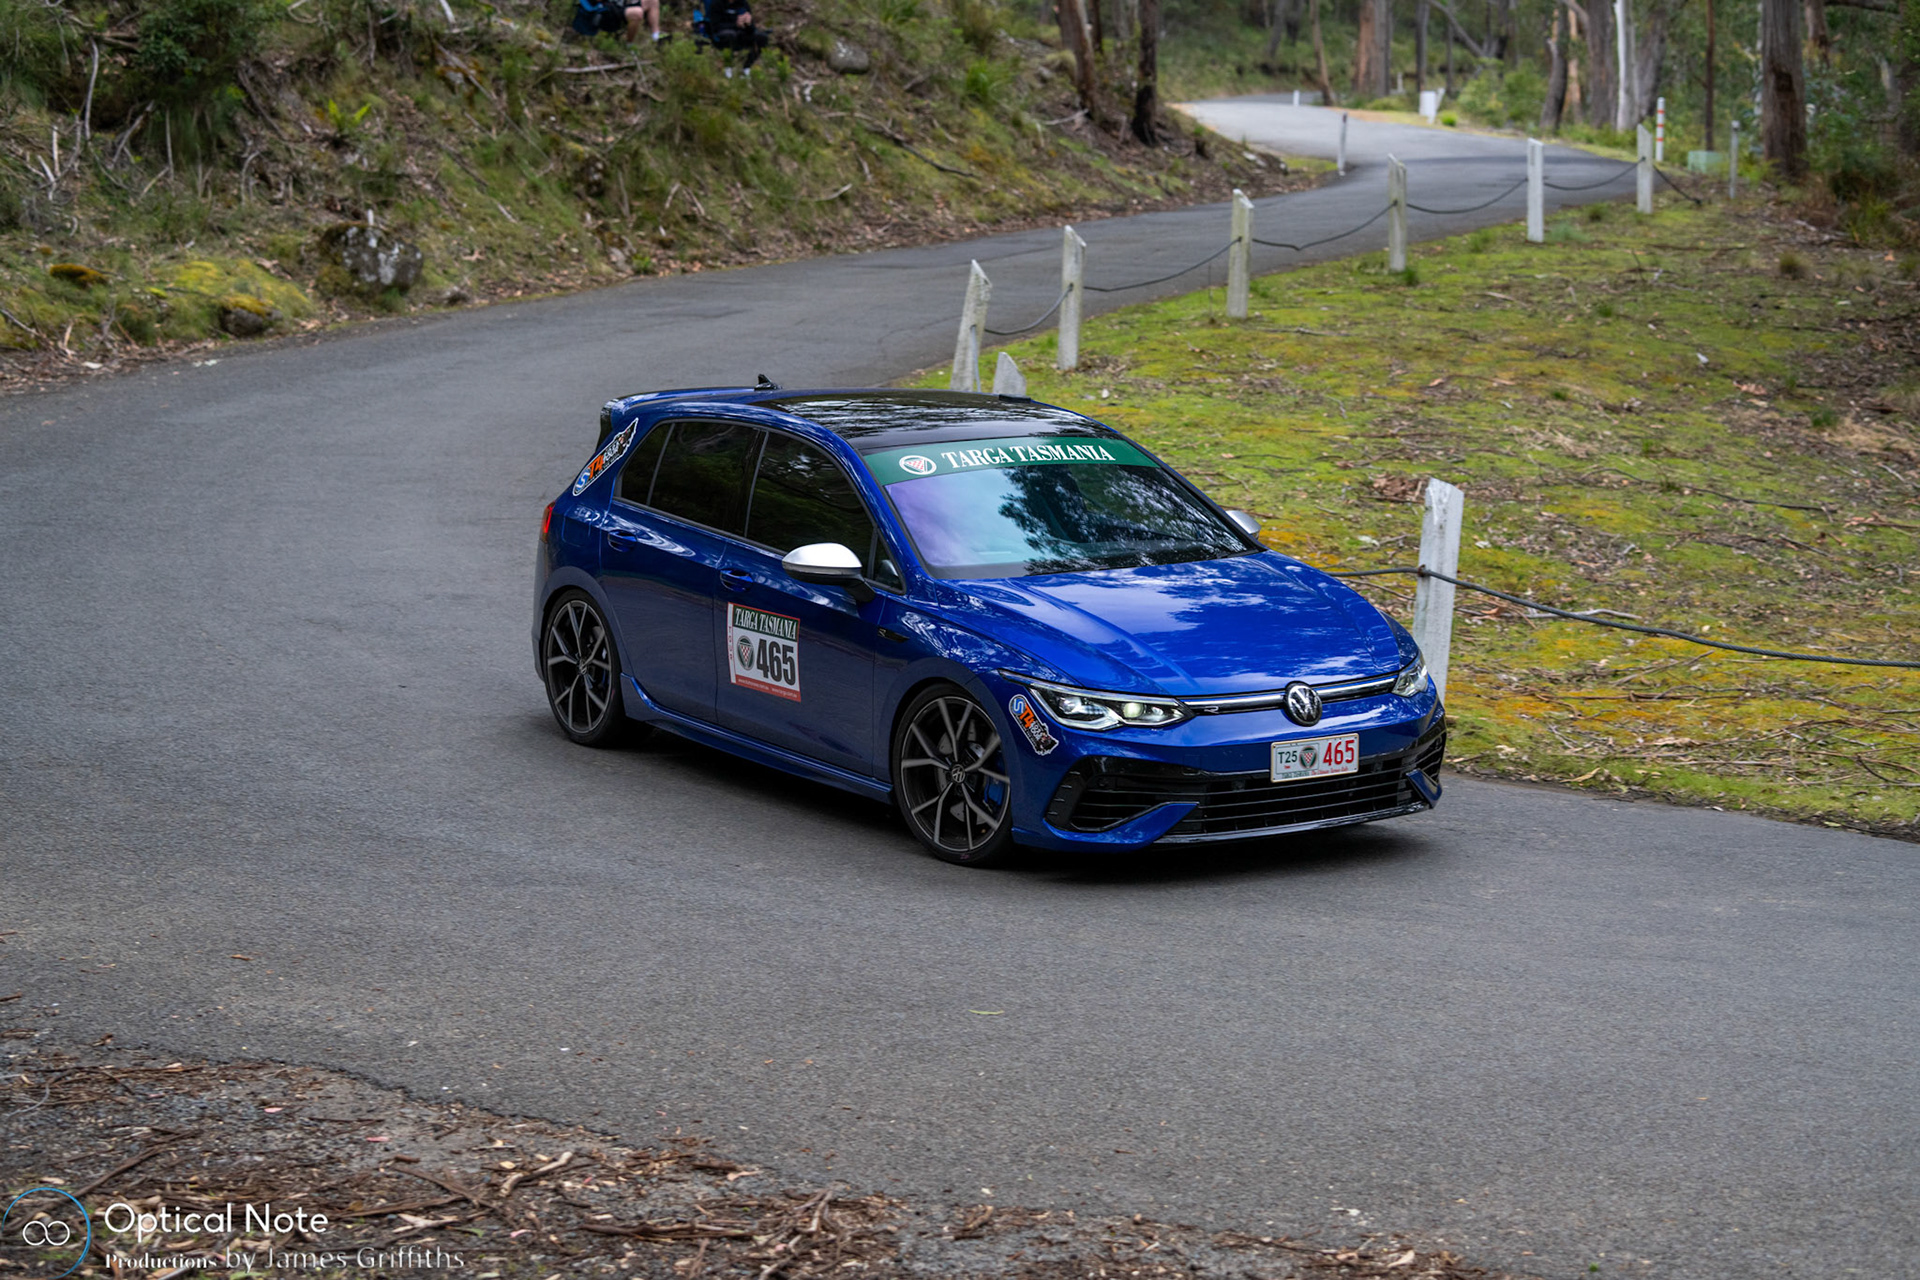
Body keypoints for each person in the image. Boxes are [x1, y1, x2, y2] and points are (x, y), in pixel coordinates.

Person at [698, 0, 769, 71]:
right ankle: (728, 68)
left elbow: (751, 29)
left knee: (762, 37)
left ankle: (746, 68)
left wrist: (748, 23)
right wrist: (736, 23)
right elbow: (715, 26)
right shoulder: (716, 4)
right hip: (722, 35)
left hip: (741, 35)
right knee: (730, 35)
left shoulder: (743, 4)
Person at [572, 0, 664, 44]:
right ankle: (629, 45)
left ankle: (656, 36)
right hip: (605, 12)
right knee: (637, 13)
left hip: (619, 7)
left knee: (653, 1)